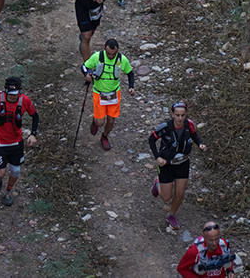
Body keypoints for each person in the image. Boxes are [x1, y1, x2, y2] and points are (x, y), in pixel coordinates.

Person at [148, 101, 206, 229]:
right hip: (167, 163)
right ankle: (157, 182)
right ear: (172, 114)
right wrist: (157, 157)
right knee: (166, 197)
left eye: (182, 115)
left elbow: (194, 135)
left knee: (180, 194)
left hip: (182, 162)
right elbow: (151, 140)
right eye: (177, 115)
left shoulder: (188, 124)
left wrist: (200, 144)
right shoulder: (165, 127)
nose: (180, 118)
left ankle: (171, 215)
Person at [0, 77, 39, 206]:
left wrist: (33, 134)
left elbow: (35, 116)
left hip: (16, 142)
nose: (13, 97)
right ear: (5, 91)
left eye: (15, 94)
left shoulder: (24, 101)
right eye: (10, 94)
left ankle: (8, 191)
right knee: (1, 172)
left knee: (16, 171)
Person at [80, 38, 134, 151]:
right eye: (109, 54)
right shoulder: (97, 57)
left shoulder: (122, 59)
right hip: (99, 93)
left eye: (113, 54)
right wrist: (87, 74)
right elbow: (84, 66)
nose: (111, 56)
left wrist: (131, 87)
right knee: (100, 122)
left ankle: (104, 137)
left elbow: (130, 73)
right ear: (105, 49)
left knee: (111, 120)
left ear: (117, 51)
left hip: (114, 94)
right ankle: (95, 122)